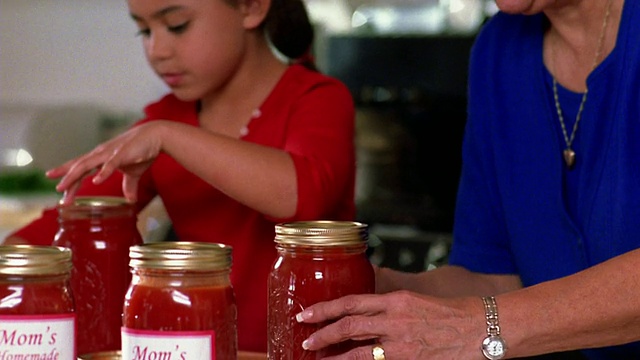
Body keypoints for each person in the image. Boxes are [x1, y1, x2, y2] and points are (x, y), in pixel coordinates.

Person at [294, 0, 640, 359]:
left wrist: (485, 325)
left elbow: (486, 318)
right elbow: (493, 277)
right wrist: (377, 289)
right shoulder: (499, 48)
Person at [4, 0, 356, 353]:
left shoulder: (317, 98)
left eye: (176, 25)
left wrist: (167, 136)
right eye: (144, 30)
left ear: (251, 8)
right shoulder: (165, 123)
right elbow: (52, 232)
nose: (156, 51)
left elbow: (300, 195)